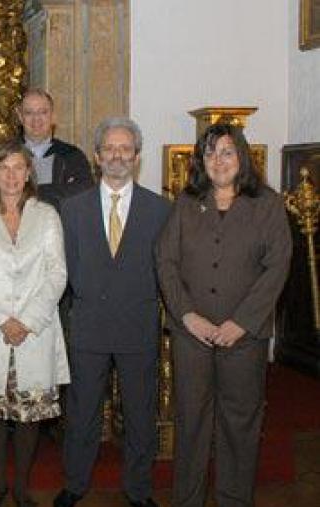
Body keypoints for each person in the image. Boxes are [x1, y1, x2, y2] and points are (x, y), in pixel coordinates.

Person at [156, 124, 292, 507]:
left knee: (240, 422)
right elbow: (165, 261)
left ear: (242, 157)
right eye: (211, 153)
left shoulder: (266, 204)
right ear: (201, 161)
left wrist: (242, 322)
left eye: (227, 152)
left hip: (244, 337)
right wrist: (187, 315)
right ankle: (188, 499)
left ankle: (234, 498)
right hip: (191, 336)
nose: (219, 160)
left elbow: (278, 265)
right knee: (191, 421)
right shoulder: (186, 203)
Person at [54, 117, 169, 507]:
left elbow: (166, 270)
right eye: (109, 148)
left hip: (138, 326)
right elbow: (66, 269)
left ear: (136, 157)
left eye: (125, 148)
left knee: (140, 414)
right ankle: (75, 483)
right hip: (88, 327)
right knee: (82, 412)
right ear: (97, 156)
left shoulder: (160, 209)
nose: (117, 155)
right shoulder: (72, 209)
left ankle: (138, 488)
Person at [0, 139, 68, 507]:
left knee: (28, 414)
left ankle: (21, 486)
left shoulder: (47, 215)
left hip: (35, 329)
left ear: (29, 172)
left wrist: (28, 321)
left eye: (19, 167)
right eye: (4, 168)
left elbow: (57, 274)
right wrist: (2, 321)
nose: (12, 175)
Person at [16, 88, 93, 211]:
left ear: (53, 117)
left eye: (43, 112)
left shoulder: (73, 157)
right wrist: (57, 191)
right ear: (20, 117)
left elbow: (84, 197)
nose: (36, 119)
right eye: (29, 113)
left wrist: (26, 193)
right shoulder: (5, 156)